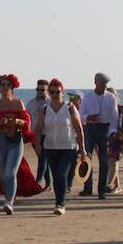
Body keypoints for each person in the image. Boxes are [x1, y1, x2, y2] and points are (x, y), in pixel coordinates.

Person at [32, 79, 86, 215]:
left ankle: (60, 204)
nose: (55, 94)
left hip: (68, 147)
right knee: (56, 176)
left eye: (58, 92)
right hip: (50, 147)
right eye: (52, 92)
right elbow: (38, 129)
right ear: (49, 93)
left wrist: (82, 148)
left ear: (62, 92)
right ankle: (59, 200)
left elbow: (79, 129)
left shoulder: (69, 107)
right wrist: (37, 144)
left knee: (62, 173)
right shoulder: (45, 109)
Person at [0, 74, 34, 215]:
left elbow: (26, 123)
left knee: (10, 172)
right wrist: (0, 123)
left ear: (12, 87)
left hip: (15, 140)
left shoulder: (18, 103)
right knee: (2, 173)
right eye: (2, 85)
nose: (5, 87)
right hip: (0, 140)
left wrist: (15, 122)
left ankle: (9, 202)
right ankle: (8, 196)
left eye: (7, 85)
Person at [78, 73, 119, 199]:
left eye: (105, 84)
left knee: (104, 161)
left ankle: (101, 190)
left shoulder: (111, 97)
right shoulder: (87, 97)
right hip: (90, 128)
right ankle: (87, 187)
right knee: (87, 158)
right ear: (96, 82)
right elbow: (80, 114)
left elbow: (114, 116)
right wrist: (88, 117)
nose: (104, 86)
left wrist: (112, 132)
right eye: (102, 83)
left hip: (104, 129)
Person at [27, 79, 52, 185]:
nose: (40, 92)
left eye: (42, 90)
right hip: (34, 134)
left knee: (43, 157)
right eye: (38, 89)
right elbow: (27, 118)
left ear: (47, 90)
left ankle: (38, 180)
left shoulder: (51, 102)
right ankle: (48, 182)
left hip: (47, 134)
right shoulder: (31, 103)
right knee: (42, 157)